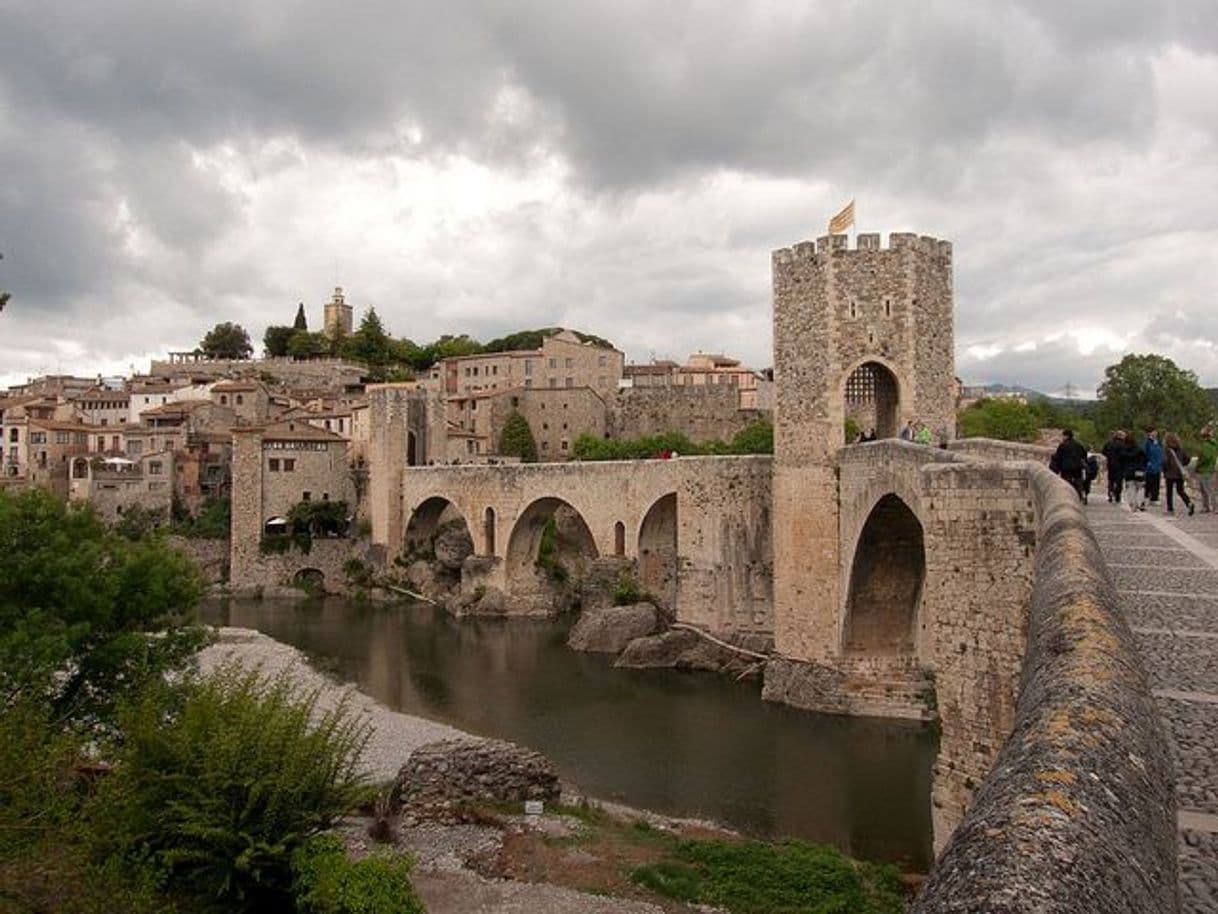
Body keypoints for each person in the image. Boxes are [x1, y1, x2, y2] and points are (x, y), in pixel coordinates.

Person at [1163, 432, 1195, 515]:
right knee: (1180, 490)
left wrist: (1164, 469)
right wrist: (1181, 465)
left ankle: (1170, 509)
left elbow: (1165, 462)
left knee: (1169, 492)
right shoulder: (1180, 449)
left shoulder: (1167, 450)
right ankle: (1188, 503)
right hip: (1179, 473)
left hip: (1169, 474)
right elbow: (1187, 460)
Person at [1050, 428, 1088, 501]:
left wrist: (1056, 468)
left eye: (1063, 436)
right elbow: (1084, 455)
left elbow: (1058, 457)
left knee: (1066, 483)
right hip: (1077, 467)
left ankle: (1068, 497)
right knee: (1078, 481)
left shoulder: (1062, 445)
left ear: (1066, 436)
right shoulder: (1078, 444)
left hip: (1066, 468)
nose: (1062, 437)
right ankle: (1080, 495)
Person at [1121, 432, 1147, 511]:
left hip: (1128, 471)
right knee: (1141, 487)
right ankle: (1140, 502)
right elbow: (1144, 459)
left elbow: (1121, 461)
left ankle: (1132, 503)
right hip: (1139, 470)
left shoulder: (1123, 450)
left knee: (1130, 487)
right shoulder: (1139, 449)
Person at [1101, 430, 1126, 503]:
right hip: (1120, 465)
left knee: (1111, 480)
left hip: (1111, 464)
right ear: (1120, 436)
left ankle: (1110, 492)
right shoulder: (1123, 445)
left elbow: (1103, 452)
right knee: (1119, 481)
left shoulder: (1109, 443)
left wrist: (1109, 457)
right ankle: (1117, 495)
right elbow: (1124, 455)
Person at [1196, 426, 1217, 513]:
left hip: (1204, 470)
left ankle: (1210, 507)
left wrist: (1198, 465)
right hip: (1211, 469)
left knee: (1206, 491)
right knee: (1209, 490)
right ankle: (1207, 507)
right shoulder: (1214, 444)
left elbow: (1205, 457)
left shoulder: (1205, 445)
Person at [1143, 430, 1164, 505]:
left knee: (1156, 482)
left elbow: (1162, 453)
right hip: (1150, 466)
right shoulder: (1147, 443)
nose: (1155, 434)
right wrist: (1147, 462)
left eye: (1156, 432)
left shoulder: (1159, 442)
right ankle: (1146, 497)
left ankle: (1154, 498)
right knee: (1149, 482)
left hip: (1158, 465)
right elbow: (1144, 453)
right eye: (1153, 432)